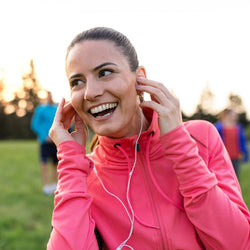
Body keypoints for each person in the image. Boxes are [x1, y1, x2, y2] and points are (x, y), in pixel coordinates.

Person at [47, 27, 250, 249]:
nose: (90, 93)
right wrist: (71, 162)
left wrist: (180, 149)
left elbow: (237, 243)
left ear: (140, 78)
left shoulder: (201, 136)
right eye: (77, 82)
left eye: (104, 72)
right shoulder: (82, 175)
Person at [31, 91, 58, 195]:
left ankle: (55, 185)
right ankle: (46, 186)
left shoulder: (56, 108)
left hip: (55, 141)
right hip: (45, 141)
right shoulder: (40, 109)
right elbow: (35, 124)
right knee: (44, 163)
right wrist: (44, 136)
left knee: (55, 164)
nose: (50, 98)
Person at [215, 108, 249, 179]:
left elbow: (242, 140)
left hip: (236, 156)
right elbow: (214, 140)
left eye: (235, 115)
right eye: (232, 115)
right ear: (226, 115)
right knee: (224, 176)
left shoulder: (239, 127)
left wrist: (244, 152)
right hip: (223, 156)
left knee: (235, 176)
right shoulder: (219, 126)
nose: (235, 116)